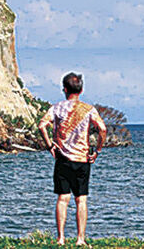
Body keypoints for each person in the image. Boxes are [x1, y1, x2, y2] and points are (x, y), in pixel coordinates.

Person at [38, 72, 107, 245]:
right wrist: (97, 150)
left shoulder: (56, 108)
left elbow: (42, 125)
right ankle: (80, 239)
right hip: (82, 159)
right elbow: (103, 129)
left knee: (62, 198)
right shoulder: (89, 109)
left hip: (62, 159)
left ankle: (61, 238)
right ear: (81, 90)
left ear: (64, 89)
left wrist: (50, 145)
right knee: (81, 199)